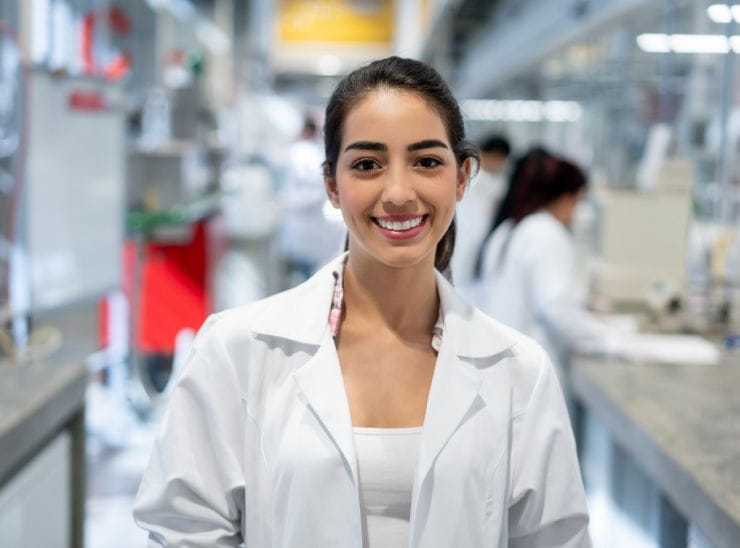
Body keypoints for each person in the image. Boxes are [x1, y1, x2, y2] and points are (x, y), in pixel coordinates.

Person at [133, 57, 591, 547]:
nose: (398, 192)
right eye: (368, 164)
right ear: (332, 184)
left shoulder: (518, 372)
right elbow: (184, 530)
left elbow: (554, 539)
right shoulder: (238, 349)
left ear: (461, 179)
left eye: (427, 162)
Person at [476, 150, 623, 381]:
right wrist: (610, 340)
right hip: (529, 372)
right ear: (565, 198)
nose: (577, 212)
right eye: (577, 201)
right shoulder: (546, 232)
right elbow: (556, 309)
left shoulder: (509, 229)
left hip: (504, 366)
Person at [278, 115, 345, 283]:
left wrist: (286, 200)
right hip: (309, 232)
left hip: (304, 231)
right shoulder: (312, 152)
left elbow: (311, 189)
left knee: (302, 282)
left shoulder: (300, 152)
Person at [450, 134, 511, 289]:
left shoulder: (491, 180)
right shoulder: (479, 179)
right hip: (465, 236)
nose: (500, 165)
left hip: (470, 237)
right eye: (499, 160)